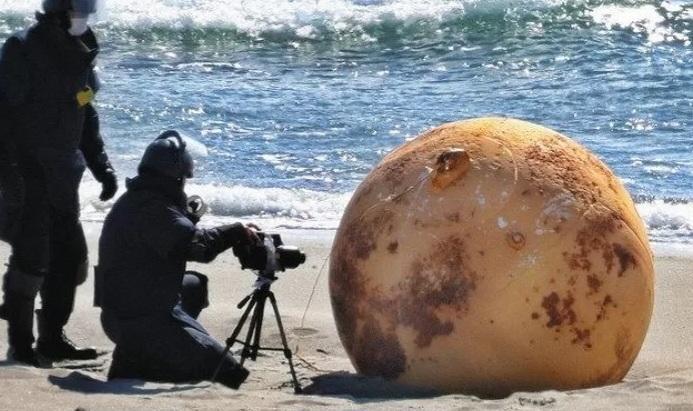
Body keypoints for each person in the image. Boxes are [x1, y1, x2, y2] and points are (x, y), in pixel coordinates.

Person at [0, 0, 118, 366]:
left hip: (64, 175)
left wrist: (102, 166)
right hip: (27, 172)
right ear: (58, 11)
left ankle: (52, 339)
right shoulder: (22, 49)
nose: (87, 17)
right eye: (81, 10)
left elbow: (86, 113)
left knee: (70, 261)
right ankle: (21, 345)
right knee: (32, 261)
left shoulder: (81, 52)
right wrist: (10, 172)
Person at [96, 130, 257, 389]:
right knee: (229, 372)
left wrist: (192, 219)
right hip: (138, 322)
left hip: (128, 308)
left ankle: (139, 355)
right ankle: (141, 360)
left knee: (194, 284)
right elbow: (200, 248)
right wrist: (235, 231)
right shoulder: (156, 209)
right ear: (176, 176)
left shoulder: (136, 199)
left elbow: (168, 244)